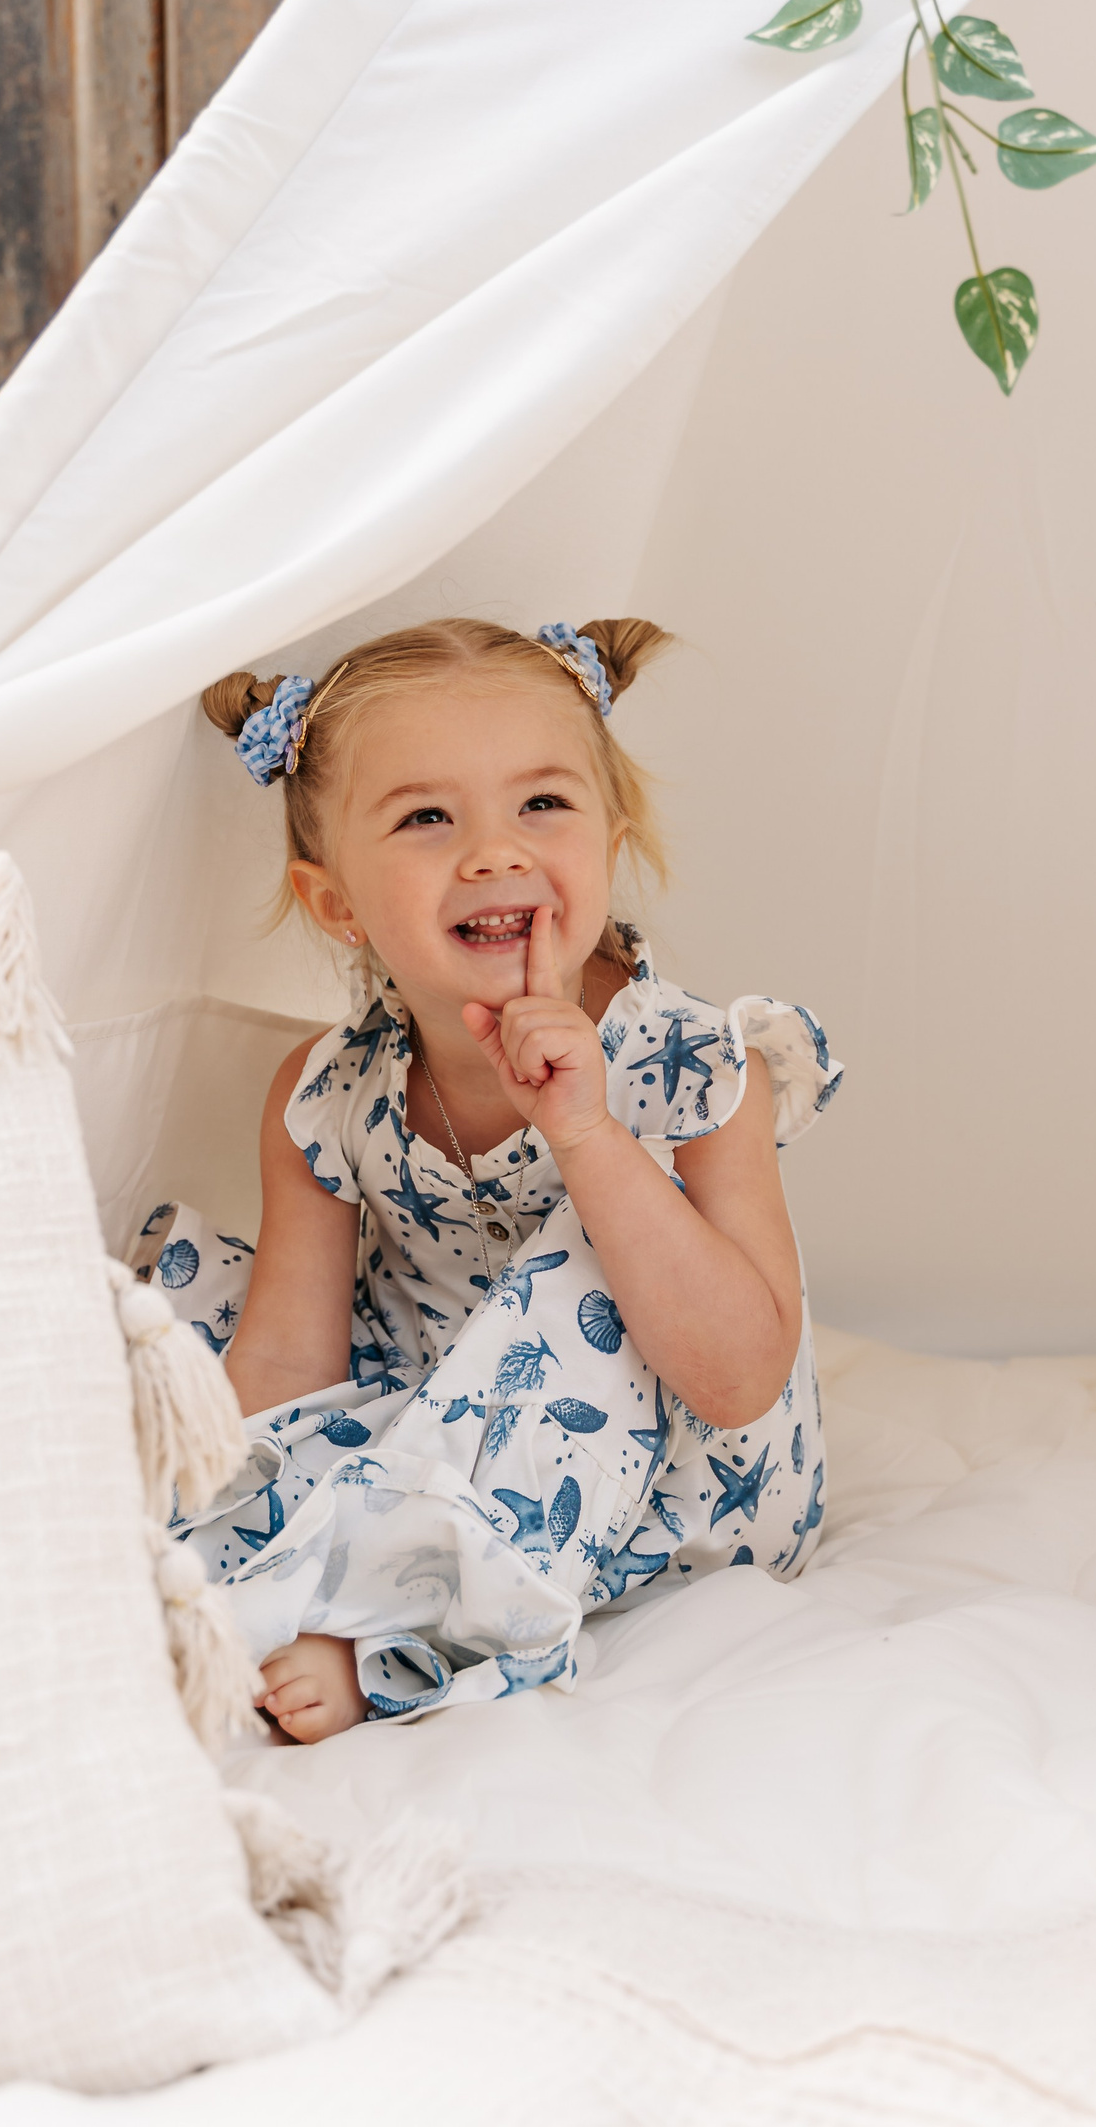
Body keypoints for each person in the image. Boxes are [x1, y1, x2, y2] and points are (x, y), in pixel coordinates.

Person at [173, 616, 841, 1742]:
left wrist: (587, 1133)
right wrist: (221, 1518)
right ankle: (270, 1567)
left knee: (587, 1268)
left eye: (542, 803)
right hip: (443, 1413)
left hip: (685, 1486)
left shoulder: (695, 1064)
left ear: (608, 847)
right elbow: (289, 1362)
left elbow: (739, 1381)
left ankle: (400, 1633)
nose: (495, 852)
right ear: (338, 903)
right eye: (427, 818)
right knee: (178, 1322)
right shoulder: (330, 1092)